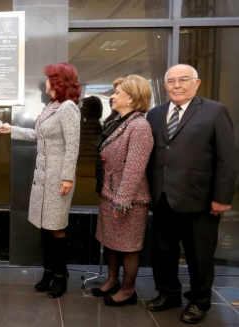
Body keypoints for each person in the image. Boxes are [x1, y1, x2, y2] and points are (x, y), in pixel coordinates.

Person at [146, 64, 238, 324]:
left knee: (200, 254)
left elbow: (227, 158)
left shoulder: (214, 111)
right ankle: (168, 294)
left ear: (196, 83)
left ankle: (199, 301)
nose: (177, 85)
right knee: (163, 251)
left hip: (201, 199)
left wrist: (222, 197)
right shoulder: (155, 113)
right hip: (163, 195)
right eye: (171, 81)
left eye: (183, 79)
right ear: (164, 87)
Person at [0, 63, 81, 298]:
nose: (45, 81)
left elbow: (73, 145)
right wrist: (11, 129)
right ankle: (48, 272)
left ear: (58, 81)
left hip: (57, 179)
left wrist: (67, 177)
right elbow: (39, 135)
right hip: (42, 177)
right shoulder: (52, 107)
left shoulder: (68, 108)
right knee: (45, 227)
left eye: (48, 78)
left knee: (56, 227)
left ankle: (60, 275)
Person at [91, 75, 154, 307]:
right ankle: (111, 281)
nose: (112, 96)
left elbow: (135, 168)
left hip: (129, 199)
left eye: (117, 93)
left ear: (132, 98)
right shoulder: (118, 120)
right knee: (111, 241)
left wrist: (122, 201)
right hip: (110, 192)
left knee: (128, 247)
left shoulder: (139, 126)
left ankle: (127, 291)